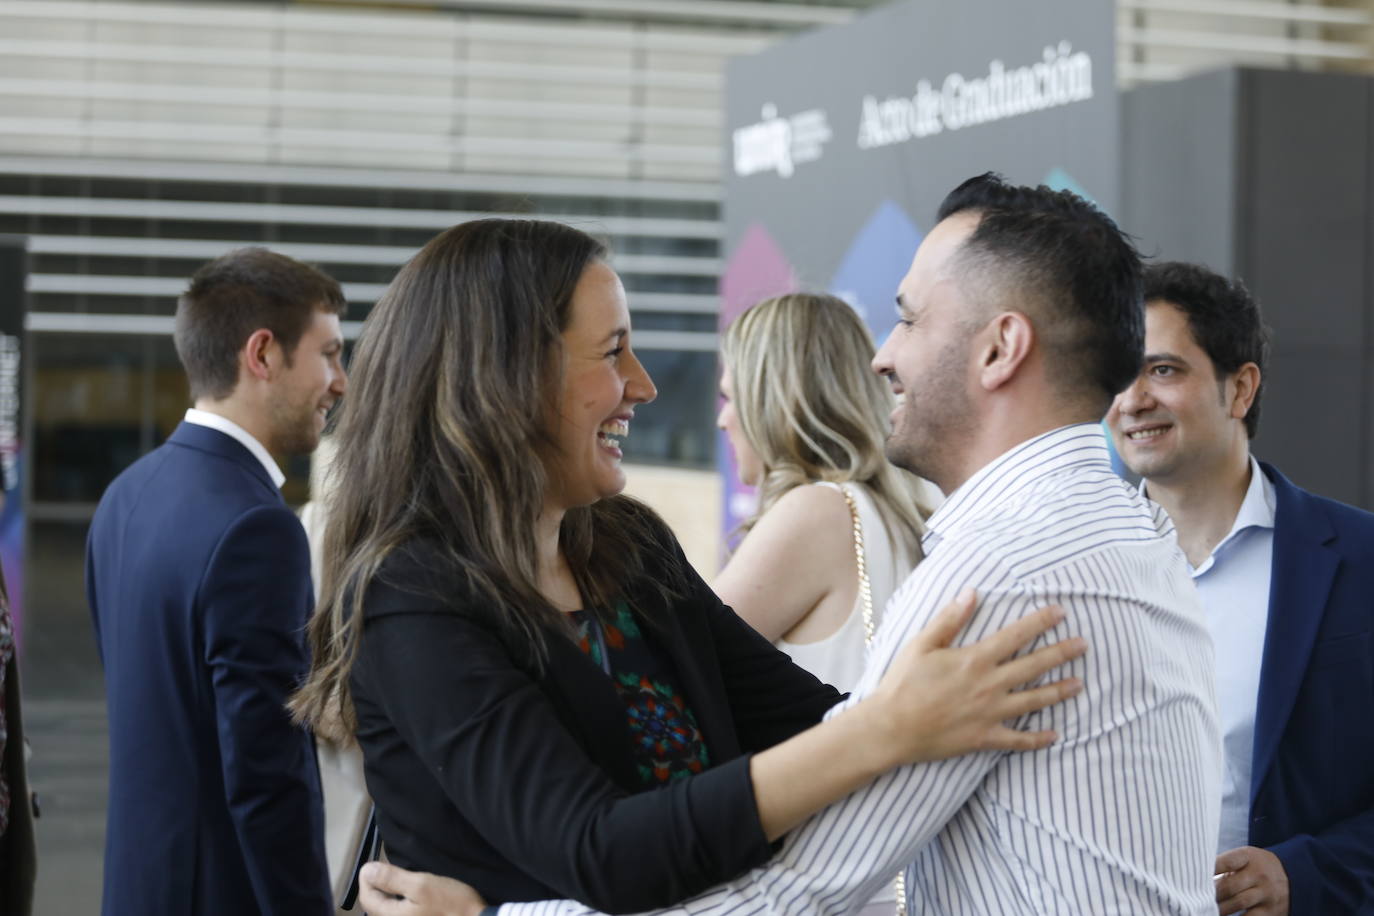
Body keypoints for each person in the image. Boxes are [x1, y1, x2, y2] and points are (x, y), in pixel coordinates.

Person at [359, 175, 1225, 916]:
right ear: (506, 377)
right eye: (614, 351)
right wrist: (886, 728)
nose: (646, 385)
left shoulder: (629, 548)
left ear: (1002, 348)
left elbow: (812, 782)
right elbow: (607, 844)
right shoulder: (418, 593)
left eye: (908, 320)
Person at [1107, 261, 1374, 916]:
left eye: (1163, 369)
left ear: (1240, 389)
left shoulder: (1360, 561)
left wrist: (1304, 875)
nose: (1132, 398)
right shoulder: (1080, 568)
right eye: (1116, 372)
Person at [85, 248, 345, 915]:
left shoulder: (125, 495)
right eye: (329, 354)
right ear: (261, 355)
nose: (340, 382)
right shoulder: (257, 528)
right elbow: (266, 773)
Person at [715, 293, 935, 695]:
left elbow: (676, 672)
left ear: (772, 402)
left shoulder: (817, 511)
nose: (721, 419)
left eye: (731, 397)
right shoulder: (891, 508)